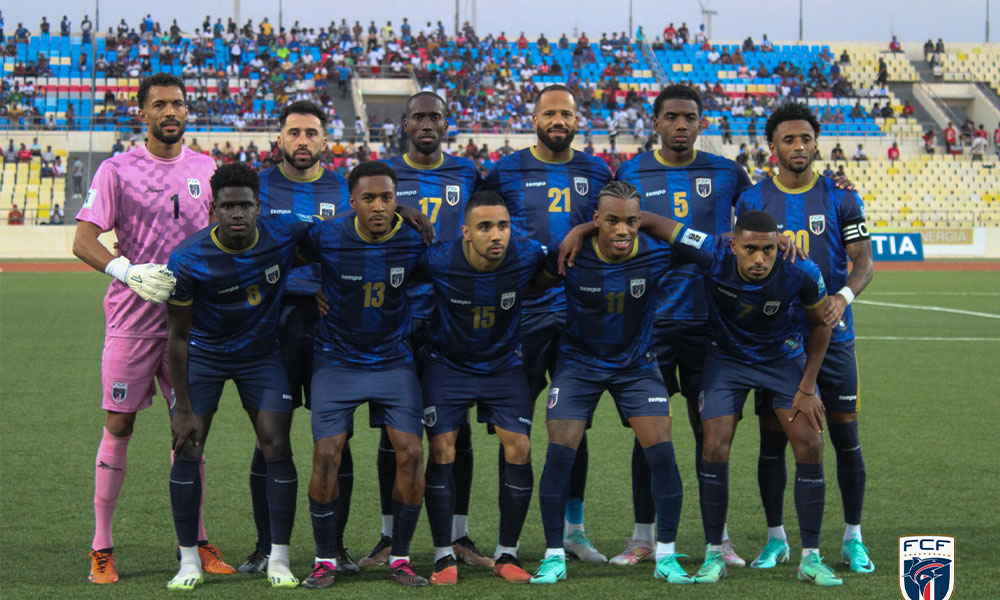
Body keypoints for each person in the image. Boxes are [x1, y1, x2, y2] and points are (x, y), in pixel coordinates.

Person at [72, 72, 231, 584]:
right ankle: (102, 547)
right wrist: (126, 270)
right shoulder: (117, 170)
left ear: (188, 111)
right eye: (159, 104)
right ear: (141, 112)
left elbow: (222, 236)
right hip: (131, 323)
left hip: (190, 324)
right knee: (119, 425)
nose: (171, 112)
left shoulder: (207, 169)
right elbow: (83, 239)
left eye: (178, 104)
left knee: (190, 433)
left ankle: (199, 541)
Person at [638, 208, 837, 586]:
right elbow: (655, 223)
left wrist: (807, 387)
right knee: (713, 443)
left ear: (779, 245)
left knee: (810, 443)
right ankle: (715, 554)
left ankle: (810, 557)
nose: (759, 259)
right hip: (726, 359)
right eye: (750, 249)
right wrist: (584, 229)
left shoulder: (802, 270)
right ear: (733, 244)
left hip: (782, 358)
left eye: (767, 250)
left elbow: (820, 324)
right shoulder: (712, 251)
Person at [612, 84, 751, 568]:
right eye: (670, 116)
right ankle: (642, 537)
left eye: (689, 117)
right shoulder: (630, 172)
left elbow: (760, 221)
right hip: (649, 322)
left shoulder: (728, 173)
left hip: (711, 323)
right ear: (654, 122)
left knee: (711, 432)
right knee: (648, 433)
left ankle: (720, 539)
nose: (680, 125)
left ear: (701, 123)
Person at [736, 101, 875, 577]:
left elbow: (864, 261)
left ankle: (853, 537)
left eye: (806, 139)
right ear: (771, 147)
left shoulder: (840, 196)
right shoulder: (753, 201)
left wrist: (843, 297)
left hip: (834, 336)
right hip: (775, 342)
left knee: (845, 436)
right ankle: (776, 539)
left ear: (817, 144)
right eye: (789, 139)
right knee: (773, 440)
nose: (799, 146)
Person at [529, 182, 691, 586]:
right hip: (579, 365)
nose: (622, 230)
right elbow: (529, 284)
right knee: (559, 455)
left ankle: (666, 555)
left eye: (631, 221)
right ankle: (553, 555)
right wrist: (578, 235)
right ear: (596, 219)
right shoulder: (570, 256)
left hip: (636, 366)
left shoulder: (657, 254)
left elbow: (707, 248)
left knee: (662, 455)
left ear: (642, 221)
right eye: (612, 221)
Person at [166, 164, 312, 590]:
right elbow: (177, 336)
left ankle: (279, 560)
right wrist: (182, 406)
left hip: (260, 356)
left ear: (258, 207)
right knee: (188, 448)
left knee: (277, 444)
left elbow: (339, 231)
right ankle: (189, 562)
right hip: (205, 357)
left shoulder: (282, 234)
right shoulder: (188, 257)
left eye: (245, 205)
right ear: (213, 209)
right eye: (227, 205)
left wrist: (405, 211)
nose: (236, 213)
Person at [483, 85, 612, 563]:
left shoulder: (597, 171)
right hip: (522, 315)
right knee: (514, 427)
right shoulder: (505, 169)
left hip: (581, 314)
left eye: (567, 113)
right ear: (534, 117)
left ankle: (574, 531)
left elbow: (613, 226)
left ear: (579, 120)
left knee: (572, 427)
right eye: (550, 112)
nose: (559, 120)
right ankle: (507, 540)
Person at [362, 92, 487, 570]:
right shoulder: (383, 177)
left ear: (446, 122)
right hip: (394, 315)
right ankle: (389, 536)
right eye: (418, 117)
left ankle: (458, 534)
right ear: (405, 124)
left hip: (453, 314)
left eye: (435, 116)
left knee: (456, 429)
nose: (427, 124)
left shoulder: (468, 173)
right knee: (390, 431)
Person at [296, 161, 431, 588]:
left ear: (397, 200)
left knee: (410, 454)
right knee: (327, 454)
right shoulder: (328, 234)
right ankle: (324, 560)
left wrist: (413, 322)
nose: (378, 206)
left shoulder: (414, 238)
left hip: (393, 359)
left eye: (387, 198)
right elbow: (285, 258)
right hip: (336, 359)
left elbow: (435, 279)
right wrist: (304, 288)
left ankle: (401, 558)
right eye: (368, 198)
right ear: (350, 201)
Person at [238, 100, 354, 576]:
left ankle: (337, 547)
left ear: (325, 140)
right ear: (279, 139)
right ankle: (267, 545)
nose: (302, 141)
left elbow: (357, 246)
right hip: (275, 325)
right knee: (270, 439)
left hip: (331, 327)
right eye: (293, 133)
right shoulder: (259, 187)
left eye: (311, 133)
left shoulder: (346, 188)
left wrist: (333, 283)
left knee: (337, 439)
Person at [417, 192, 548, 585]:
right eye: (485, 227)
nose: (497, 235)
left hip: (503, 365)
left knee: (520, 446)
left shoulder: (526, 255)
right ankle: (443, 555)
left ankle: (507, 553)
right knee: (442, 447)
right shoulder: (437, 260)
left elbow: (562, 260)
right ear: (466, 232)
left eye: (503, 226)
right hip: (447, 365)